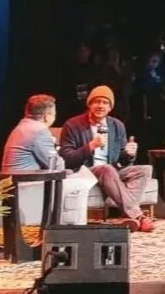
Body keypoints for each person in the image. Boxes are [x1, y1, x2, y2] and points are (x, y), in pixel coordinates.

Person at [59, 85, 155, 232]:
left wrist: (129, 153)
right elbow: (67, 158)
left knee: (145, 169)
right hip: (85, 170)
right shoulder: (72, 125)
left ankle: (128, 215)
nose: (100, 106)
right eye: (97, 102)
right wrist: (90, 146)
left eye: (105, 103)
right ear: (89, 104)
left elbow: (122, 159)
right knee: (106, 168)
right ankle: (138, 215)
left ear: (110, 107)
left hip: (111, 170)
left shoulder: (117, 125)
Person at [0, 94, 63, 174]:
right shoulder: (39, 131)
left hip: (13, 182)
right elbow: (56, 166)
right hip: (27, 183)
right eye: (54, 114)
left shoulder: (22, 126)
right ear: (46, 116)